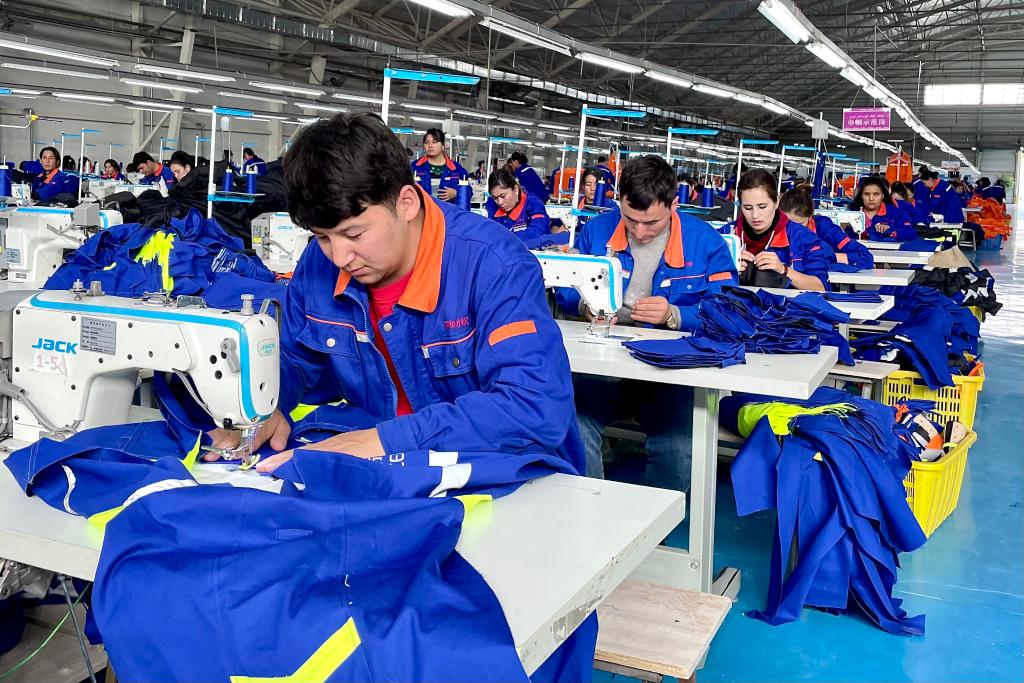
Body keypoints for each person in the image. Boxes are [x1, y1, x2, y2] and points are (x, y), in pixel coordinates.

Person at [204, 112, 584, 477]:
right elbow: (295, 358)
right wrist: (267, 407)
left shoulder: (495, 265)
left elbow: (534, 407)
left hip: (509, 479)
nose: (340, 256)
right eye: (322, 237)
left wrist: (388, 440)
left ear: (406, 203)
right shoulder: (320, 264)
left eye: (354, 234)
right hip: (388, 474)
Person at [559, 154, 738, 490]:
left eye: (651, 223)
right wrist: (586, 306)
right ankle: (588, 512)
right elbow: (566, 289)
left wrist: (675, 315)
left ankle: (658, 520)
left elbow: (729, 311)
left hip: (670, 374)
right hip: (605, 366)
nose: (640, 232)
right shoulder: (596, 231)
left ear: (673, 205)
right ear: (620, 201)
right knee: (572, 425)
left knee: (678, 448)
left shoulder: (705, 243)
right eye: (630, 219)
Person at [731, 168, 829, 291]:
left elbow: (821, 287)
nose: (755, 215)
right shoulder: (725, 236)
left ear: (776, 202)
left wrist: (783, 269)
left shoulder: (803, 237)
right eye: (748, 208)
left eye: (762, 207)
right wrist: (725, 268)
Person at [779, 188, 874, 270]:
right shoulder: (775, 231)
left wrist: (831, 256)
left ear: (811, 215)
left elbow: (866, 258)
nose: (793, 229)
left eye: (800, 225)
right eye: (786, 224)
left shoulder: (825, 229)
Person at [485, 169, 553, 246]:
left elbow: (537, 231)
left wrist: (504, 239)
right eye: (495, 198)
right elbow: (486, 231)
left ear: (516, 190)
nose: (500, 202)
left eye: (503, 196)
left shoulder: (533, 203)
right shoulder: (492, 204)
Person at [410, 128, 468, 203]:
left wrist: (456, 193)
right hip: (423, 209)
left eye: (434, 142)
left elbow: (469, 191)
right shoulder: (415, 167)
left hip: (447, 209)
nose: (430, 145)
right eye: (426, 142)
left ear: (443, 146)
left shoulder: (456, 169)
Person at [850, 176, 916, 241]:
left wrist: (892, 231)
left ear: (883, 195)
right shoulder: (850, 214)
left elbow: (911, 233)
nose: (871, 198)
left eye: (876, 194)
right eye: (867, 194)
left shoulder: (897, 213)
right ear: (861, 195)